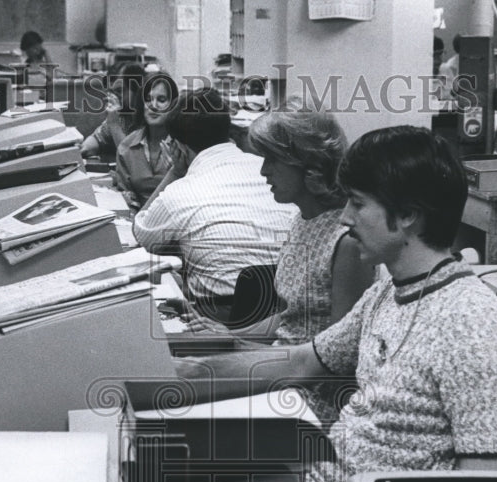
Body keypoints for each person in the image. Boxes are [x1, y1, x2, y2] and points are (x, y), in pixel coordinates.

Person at [175, 126, 497, 482]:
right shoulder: (388, 291)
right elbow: (300, 362)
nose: (344, 218)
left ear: (406, 215)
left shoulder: (472, 320)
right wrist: (185, 373)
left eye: (357, 203)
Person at [186, 98, 377, 345]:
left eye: (272, 159)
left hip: (305, 377)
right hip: (281, 361)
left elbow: (338, 351)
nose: (263, 170)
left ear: (308, 163)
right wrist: (228, 335)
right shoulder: (302, 219)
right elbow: (288, 316)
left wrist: (238, 349)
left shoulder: (347, 240)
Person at [132, 87, 296, 323]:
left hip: (220, 316)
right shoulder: (269, 171)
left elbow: (142, 237)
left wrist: (176, 172)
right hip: (287, 309)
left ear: (178, 147)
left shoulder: (180, 192)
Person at [114, 71, 178, 209]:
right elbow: (125, 194)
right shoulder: (127, 147)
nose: (153, 106)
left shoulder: (184, 146)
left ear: (173, 105)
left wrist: (179, 172)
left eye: (161, 100)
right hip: (138, 219)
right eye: (148, 99)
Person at [80, 62, 146, 162]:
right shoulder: (121, 116)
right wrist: (79, 149)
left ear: (137, 90)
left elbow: (133, 162)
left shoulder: (151, 118)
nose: (113, 97)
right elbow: (92, 143)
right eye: (110, 92)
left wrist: (114, 124)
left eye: (119, 91)